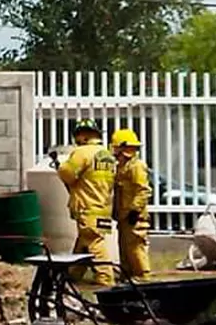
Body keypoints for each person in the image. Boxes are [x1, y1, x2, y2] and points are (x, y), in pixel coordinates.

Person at [56, 118, 118, 286]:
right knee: (84, 241)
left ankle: (106, 278)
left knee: (93, 242)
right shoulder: (106, 154)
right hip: (103, 207)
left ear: (83, 135)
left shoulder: (82, 152)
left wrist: (60, 167)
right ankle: (74, 273)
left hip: (88, 207)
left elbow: (67, 175)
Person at [112, 128, 152, 281]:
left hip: (134, 217)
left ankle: (142, 276)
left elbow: (143, 190)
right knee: (125, 247)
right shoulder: (122, 167)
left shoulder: (136, 166)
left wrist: (135, 210)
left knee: (135, 246)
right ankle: (127, 275)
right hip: (124, 216)